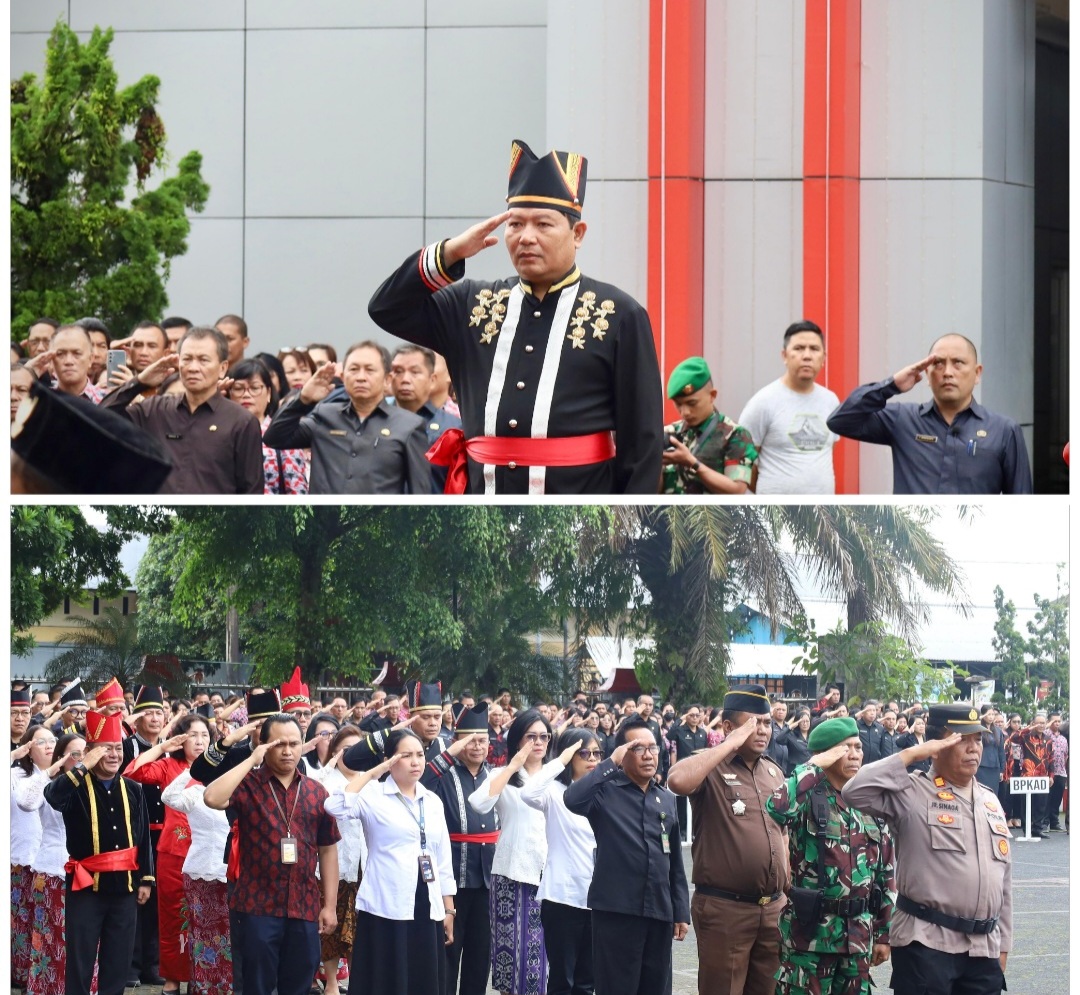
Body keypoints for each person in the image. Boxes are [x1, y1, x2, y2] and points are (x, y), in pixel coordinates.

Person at [368, 138, 664, 495]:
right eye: (515, 225)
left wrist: (629, 534)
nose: (526, 238)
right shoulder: (473, 304)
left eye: (543, 225)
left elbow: (643, 441)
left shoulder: (618, 313)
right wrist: (450, 253)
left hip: (581, 516)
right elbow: (386, 307)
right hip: (483, 515)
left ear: (578, 233)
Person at [844, 703, 1012, 995]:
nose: (973, 748)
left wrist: (1004, 943)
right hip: (927, 944)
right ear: (937, 744)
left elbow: (1004, 880)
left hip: (983, 948)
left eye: (978, 739)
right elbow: (855, 790)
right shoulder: (911, 792)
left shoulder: (990, 801)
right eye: (962, 739)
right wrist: (912, 754)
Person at [203, 713, 340, 995]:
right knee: (257, 985)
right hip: (257, 906)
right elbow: (212, 798)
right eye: (278, 744)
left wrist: (329, 906)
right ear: (263, 745)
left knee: (299, 984)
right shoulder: (248, 785)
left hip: (303, 905)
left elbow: (327, 851)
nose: (288, 751)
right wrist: (252, 761)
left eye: (294, 743)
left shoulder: (316, 792)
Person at [666, 685, 788, 995]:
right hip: (726, 909)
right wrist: (728, 743)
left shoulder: (773, 773)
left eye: (766, 723)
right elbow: (677, 781)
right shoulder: (710, 766)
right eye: (753, 723)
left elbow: (782, 832)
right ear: (729, 726)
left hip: (772, 909)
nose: (762, 730)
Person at [764, 717, 895, 995]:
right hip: (810, 939)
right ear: (826, 754)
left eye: (858, 746)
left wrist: (884, 933)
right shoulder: (807, 795)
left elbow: (886, 871)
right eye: (845, 747)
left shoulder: (868, 799)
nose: (856, 754)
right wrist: (814, 765)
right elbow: (777, 808)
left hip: (858, 938)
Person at [564, 716, 690, 995]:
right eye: (638, 748)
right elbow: (573, 799)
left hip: (658, 911)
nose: (648, 755)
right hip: (617, 913)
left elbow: (675, 862)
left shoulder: (665, 798)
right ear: (622, 752)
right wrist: (609, 763)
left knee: (656, 988)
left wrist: (681, 909)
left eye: (653, 748)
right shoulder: (605, 792)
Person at [324, 729, 456, 995]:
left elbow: (442, 857)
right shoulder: (373, 795)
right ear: (388, 759)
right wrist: (372, 773)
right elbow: (334, 806)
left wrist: (449, 909)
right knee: (387, 978)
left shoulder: (432, 801)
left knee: (423, 977)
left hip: (425, 901)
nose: (416, 761)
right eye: (405, 755)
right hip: (386, 903)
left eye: (419, 754)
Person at [826, 334, 1033, 494]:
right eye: (938, 363)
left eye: (958, 363)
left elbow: (1021, 503)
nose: (947, 372)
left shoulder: (1004, 430)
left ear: (977, 373)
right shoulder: (903, 420)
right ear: (927, 373)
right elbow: (840, 421)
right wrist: (891, 385)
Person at [44, 710, 155, 995]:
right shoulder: (76, 787)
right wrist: (82, 766)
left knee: (117, 963)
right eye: (107, 750)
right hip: (86, 887)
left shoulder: (133, 788)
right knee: (80, 963)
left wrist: (146, 879)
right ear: (91, 753)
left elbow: (142, 837)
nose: (114, 755)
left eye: (118, 748)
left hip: (125, 888)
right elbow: (53, 796)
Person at [100, 325, 264, 494]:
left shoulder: (241, 421)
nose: (193, 367)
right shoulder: (155, 410)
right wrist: (140, 382)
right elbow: (100, 418)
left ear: (222, 368)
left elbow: (252, 491)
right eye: (187, 359)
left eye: (203, 360)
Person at [263, 341, 432, 494]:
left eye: (370, 370)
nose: (361, 377)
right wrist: (303, 400)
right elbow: (274, 438)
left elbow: (421, 493)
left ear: (387, 378)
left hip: (380, 525)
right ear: (343, 377)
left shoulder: (409, 425)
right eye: (353, 369)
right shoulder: (324, 415)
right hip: (323, 524)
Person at [124, 714, 213, 995]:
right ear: (181, 739)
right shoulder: (168, 766)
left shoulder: (219, 767)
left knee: (208, 918)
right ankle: (173, 979)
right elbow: (132, 772)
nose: (199, 741)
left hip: (209, 854)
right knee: (173, 917)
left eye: (205, 736)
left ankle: (204, 975)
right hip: (174, 852)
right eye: (193, 735)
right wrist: (162, 747)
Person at [468, 709, 551, 995]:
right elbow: (478, 803)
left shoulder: (558, 777)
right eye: (531, 736)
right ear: (517, 740)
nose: (538, 742)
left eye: (544, 736)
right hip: (511, 873)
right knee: (511, 958)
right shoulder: (502, 777)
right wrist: (511, 766)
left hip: (552, 876)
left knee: (542, 959)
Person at [421, 703, 499, 995]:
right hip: (452, 877)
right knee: (449, 953)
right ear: (456, 742)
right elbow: (423, 780)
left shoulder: (495, 775)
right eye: (469, 740)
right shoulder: (442, 775)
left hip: (488, 879)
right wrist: (452, 751)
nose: (477, 746)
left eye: (482, 740)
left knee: (480, 957)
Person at [520, 727, 601, 995]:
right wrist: (560, 761)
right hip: (563, 898)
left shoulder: (605, 792)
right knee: (561, 980)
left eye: (596, 753)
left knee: (587, 981)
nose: (592, 759)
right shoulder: (554, 792)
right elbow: (528, 793)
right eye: (584, 753)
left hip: (598, 898)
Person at [17, 733, 90, 995]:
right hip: (52, 870)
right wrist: (54, 769)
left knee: (83, 938)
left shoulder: (96, 786)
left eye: (85, 753)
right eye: (74, 754)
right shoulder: (50, 784)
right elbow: (26, 802)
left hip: (89, 873)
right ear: (61, 757)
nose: (81, 760)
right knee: (51, 937)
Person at [737, 319, 840, 493]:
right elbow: (742, 461)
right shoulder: (763, 402)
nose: (807, 355)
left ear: (823, 357)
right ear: (784, 355)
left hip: (822, 515)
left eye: (814, 349)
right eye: (799, 348)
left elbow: (827, 451)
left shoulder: (831, 401)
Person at [160, 764, 232, 995]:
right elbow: (168, 796)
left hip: (233, 875)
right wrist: (192, 771)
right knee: (203, 936)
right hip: (201, 873)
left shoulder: (239, 793)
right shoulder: (196, 793)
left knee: (229, 938)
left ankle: (227, 988)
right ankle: (201, 988)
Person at [306, 726, 367, 995]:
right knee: (330, 926)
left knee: (359, 928)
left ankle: (357, 980)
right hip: (333, 865)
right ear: (335, 752)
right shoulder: (325, 781)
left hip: (365, 865)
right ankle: (331, 982)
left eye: (358, 750)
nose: (352, 756)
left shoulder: (373, 781)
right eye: (346, 750)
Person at [661, 357, 758, 494]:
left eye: (692, 403)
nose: (685, 412)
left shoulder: (734, 435)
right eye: (678, 404)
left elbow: (736, 490)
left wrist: (692, 463)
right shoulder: (669, 434)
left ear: (712, 395)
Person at [225, 358, 308, 494]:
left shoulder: (282, 434)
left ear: (268, 393)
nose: (246, 395)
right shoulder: (221, 432)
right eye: (238, 389)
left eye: (255, 388)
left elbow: (297, 491)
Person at [389, 343, 463, 490]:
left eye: (415, 372)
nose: (405, 379)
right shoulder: (375, 423)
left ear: (432, 379)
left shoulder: (453, 429)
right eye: (398, 371)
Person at [11, 725, 51, 988]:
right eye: (41, 741)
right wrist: (14, 756)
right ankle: (19, 974)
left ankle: (40, 975)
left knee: (42, 920)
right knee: (20, 919)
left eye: (52, 741)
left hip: (48, 859)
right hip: (21, 856)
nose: (49, 745)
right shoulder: (15, 774)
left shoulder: (63, 775)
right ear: (28, 748)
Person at [27, 325, 106, 402]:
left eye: (77, 354)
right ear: (50, 358)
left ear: (90, 359)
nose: (68, 361)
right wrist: (28, 372)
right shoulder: (39, 399)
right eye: (60, 354)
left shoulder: (106, 401)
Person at [1044, 713, 1068, 832]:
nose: (1057, 723)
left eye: (1059, 721)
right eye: (1054, 721)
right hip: (1049, 772)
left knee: (1057, 799)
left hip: (1061, 772)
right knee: (1047, 797)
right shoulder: (1045, 734)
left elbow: (1066, 755)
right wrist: (1047, 725)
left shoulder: (1063, 738)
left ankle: (1054, 822)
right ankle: (1045, 822)